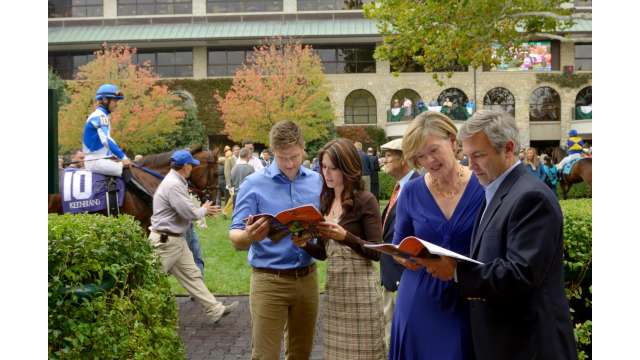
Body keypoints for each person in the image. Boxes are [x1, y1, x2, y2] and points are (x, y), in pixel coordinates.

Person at [421, 110, 577, 360]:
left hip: (529, 345)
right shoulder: (496, 189)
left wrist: (455, 271)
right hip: (502, 342)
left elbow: (520, 274)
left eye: (479, 155)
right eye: (467, 156)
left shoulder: (531, 197)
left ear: (508, 148)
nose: (470, 166)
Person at [388, 111, 484, 360]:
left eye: (433, 150)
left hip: (469, 297)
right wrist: (403, 257)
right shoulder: (410, 191)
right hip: (419, 299)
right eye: (420, 156)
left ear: (453, 141)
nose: (429, 160)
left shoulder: (484, 186)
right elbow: (400, 245)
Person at [229, 121, 323, 360]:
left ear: (303, 148)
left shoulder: (317, 181)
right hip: (269, 280)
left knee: (301, 353)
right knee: (265, 355)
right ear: (272, 154)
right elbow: (235, 237)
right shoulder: (253, 184)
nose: (290, 164)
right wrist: (249, 236)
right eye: (282, 158)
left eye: (294, 156)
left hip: (308, 277)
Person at [293, 138, 386, 360]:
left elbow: (377, 252)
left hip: (361, 293)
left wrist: (346, 236)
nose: (327, 173)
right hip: (336, 292)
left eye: (333, 168)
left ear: (348, 167)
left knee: (365, 353)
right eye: (323, 167)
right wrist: (304, 244)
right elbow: (325, 254)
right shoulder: (325, 200)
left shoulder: (365, 200)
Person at [149, 149, 238, 323]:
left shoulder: (176, 181)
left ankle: (215, 310)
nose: (193, 168)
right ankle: (137, 316)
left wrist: (202, 210)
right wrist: (204, 210)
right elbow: (187, 212)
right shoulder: (173, 184)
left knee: (193, 276)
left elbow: (186, 210)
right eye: (191, 165)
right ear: (185, 166)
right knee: (148, 281)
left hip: (174, 240)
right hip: (165, 242)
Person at [378, 138, 419, 349]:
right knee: (392, 340)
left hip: (406, 278)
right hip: (390, 275)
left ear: (404, 159)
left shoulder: (418, 187)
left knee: (404, 341)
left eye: (388, 155)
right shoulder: (399, 188)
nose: (383, 160)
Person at [82, 84, 131, 176]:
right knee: (127, 171)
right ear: (105, 100)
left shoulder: (102, 116)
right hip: (96, 162)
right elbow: (107, 140)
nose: (116, 104)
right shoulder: (99, 116)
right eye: (114, 101)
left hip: (99, 160)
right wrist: (123, 157)